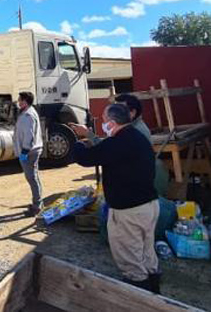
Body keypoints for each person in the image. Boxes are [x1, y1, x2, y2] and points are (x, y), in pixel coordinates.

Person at [69, 103, 161, 293]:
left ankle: (139, 297)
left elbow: (85, 158)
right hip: (149, 205)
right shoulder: (137, 137)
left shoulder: (117, 143)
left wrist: (78, 141)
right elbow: (106, 150)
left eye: (104, 120)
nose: (103, 124)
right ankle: (155, 292)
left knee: (130, 260)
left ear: (112, 123)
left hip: (129, 211)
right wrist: (90, 136)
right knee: (147, 253)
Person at [114, 93, 169, 198]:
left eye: (120, 110)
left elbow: (111, 152)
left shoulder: (135, 131)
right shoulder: (129, 128)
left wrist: (90, 136)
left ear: (132, 113)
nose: (115, 113)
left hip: (140, 190)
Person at [13, 91, 43, 216]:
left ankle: (37, 206)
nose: (18, 102)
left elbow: (29, 136)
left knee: (32, 178)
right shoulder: (27, 113)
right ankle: (38, 203)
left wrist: (24, 151)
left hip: (30, 151)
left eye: (20, 100)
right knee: (33, 177)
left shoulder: (28, 116)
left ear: (25, 101)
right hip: (31, 150)